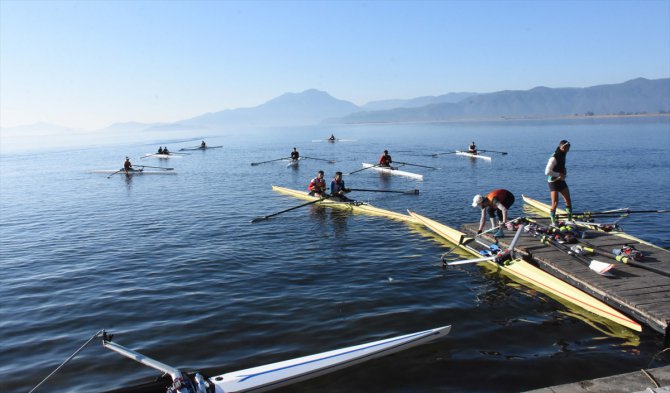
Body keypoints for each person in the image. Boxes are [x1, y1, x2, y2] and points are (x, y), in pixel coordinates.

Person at [545, 140, 572, 225]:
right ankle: (553, 222)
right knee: (555, 203)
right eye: (567, 148)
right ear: (563, 147)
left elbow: (561, 165)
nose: (568, 150)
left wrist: (564, 171)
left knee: (568, 200)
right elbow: (547, 172)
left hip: (560, 180)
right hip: (553, 181)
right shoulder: (554, 157)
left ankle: (569, 220)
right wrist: (559, 174)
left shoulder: (563, 153)